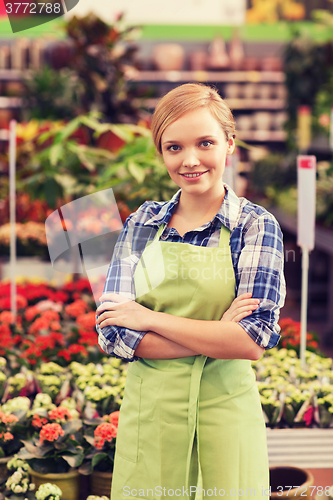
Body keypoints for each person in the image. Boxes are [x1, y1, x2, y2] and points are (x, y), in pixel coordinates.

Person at [96, 82, 286, 500]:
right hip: (152, 420)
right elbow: (113, 332)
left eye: (205, 142)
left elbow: (251, 341)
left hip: (226, 417)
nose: (191, 160)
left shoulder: (254, 226)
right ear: (162, 153)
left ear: (229, 144)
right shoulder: (142, 224)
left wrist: (148, 319)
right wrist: (217, 334)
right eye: (174, 147)